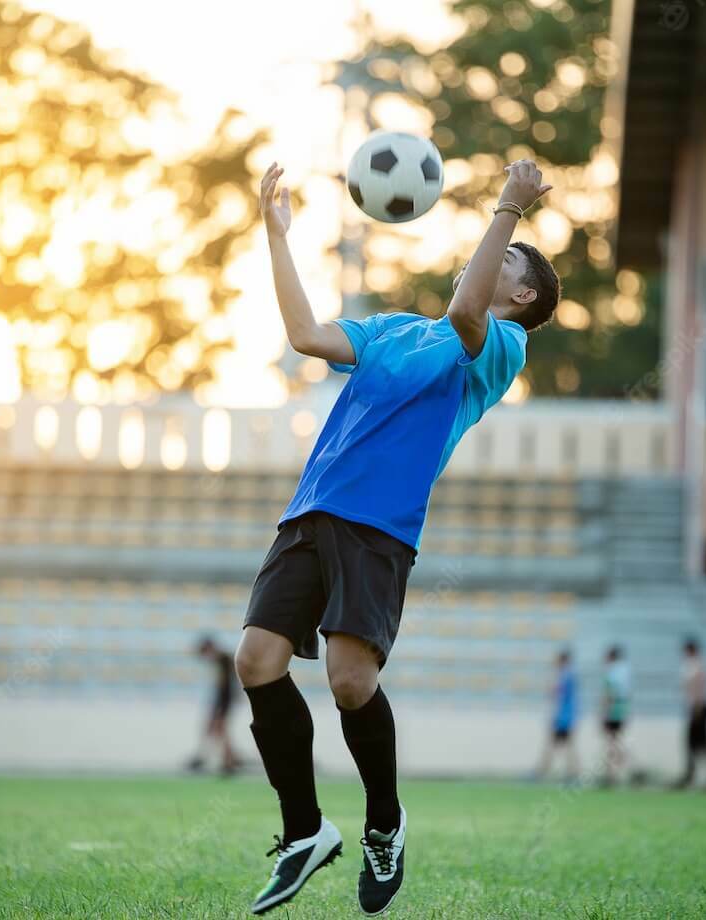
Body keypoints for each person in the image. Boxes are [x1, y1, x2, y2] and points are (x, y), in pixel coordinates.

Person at [237, 158, 558, 915]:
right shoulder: (389, 330)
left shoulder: (499, 347)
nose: (493, 254)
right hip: (310, 512)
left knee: (351, 684)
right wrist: (276, 235)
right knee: (257, 660)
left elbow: (469, 312)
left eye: (507, 257)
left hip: (380, 529)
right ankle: (304, 833)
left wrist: (509, 209)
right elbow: (307, 335)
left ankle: (385, 823)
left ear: (524, 296)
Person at [187, 636, 242, 776]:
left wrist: (218, 709)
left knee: (219, 730)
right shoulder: (223, 660)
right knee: (219, 730)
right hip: (223, 701)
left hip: (223, 701)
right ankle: (230, 760)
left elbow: (225, 687)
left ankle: (228, 761)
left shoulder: (222, 660)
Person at [675, 637, 706, 789]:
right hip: (697, 707)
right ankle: (696, 774)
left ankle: (700, 775)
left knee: (700, 743)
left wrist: (697, 709)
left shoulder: (696, 665)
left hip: (699, 708)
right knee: (697, 743)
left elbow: (700, 688)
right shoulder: (693, 665)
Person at [534, 649, 579, 782]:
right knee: (565, 745)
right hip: (567, 715)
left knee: (554, 744)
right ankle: (572, 773)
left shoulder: (565, 676)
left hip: (562, 716)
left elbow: (554, 693)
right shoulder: (569, 675)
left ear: (562, 661)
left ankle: (542, 771)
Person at [601, 644, 630, 786]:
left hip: (612, 712)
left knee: (612, 743)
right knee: (616, 742)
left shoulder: (611, 672)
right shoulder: (625, 672)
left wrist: (604, 713)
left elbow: (609, 695)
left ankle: (612, 774)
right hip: (622, 710)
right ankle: (615, 772)